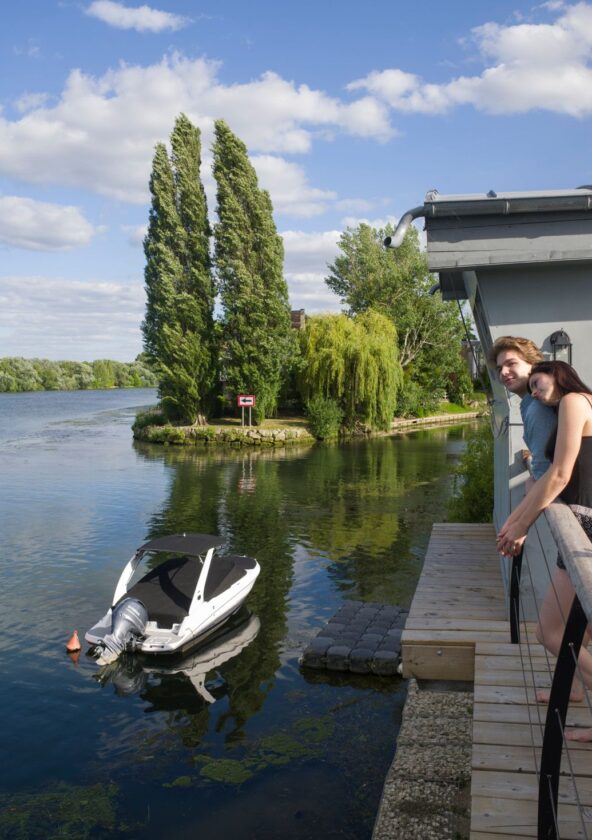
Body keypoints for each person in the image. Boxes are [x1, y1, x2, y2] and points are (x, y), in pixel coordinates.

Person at [497, 361, 592, 739]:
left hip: (585, 526)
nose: (534, 392)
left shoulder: (574, 401)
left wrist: (520, 526)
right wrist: (514, 522)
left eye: (538, 383)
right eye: (532, 388)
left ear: (559, 373)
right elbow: (544, 475)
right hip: (583, 522)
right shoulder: (574, 405)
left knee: (550, 631)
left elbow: (560, 474)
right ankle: (570, 687)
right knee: (575, 633)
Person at [486, 336, 557, 481]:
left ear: (533, 364)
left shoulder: (537, 407)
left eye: (511, 363)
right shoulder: (530, 403)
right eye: (500, 369)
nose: (503, 372)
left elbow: (544, 470)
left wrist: (531, 486)